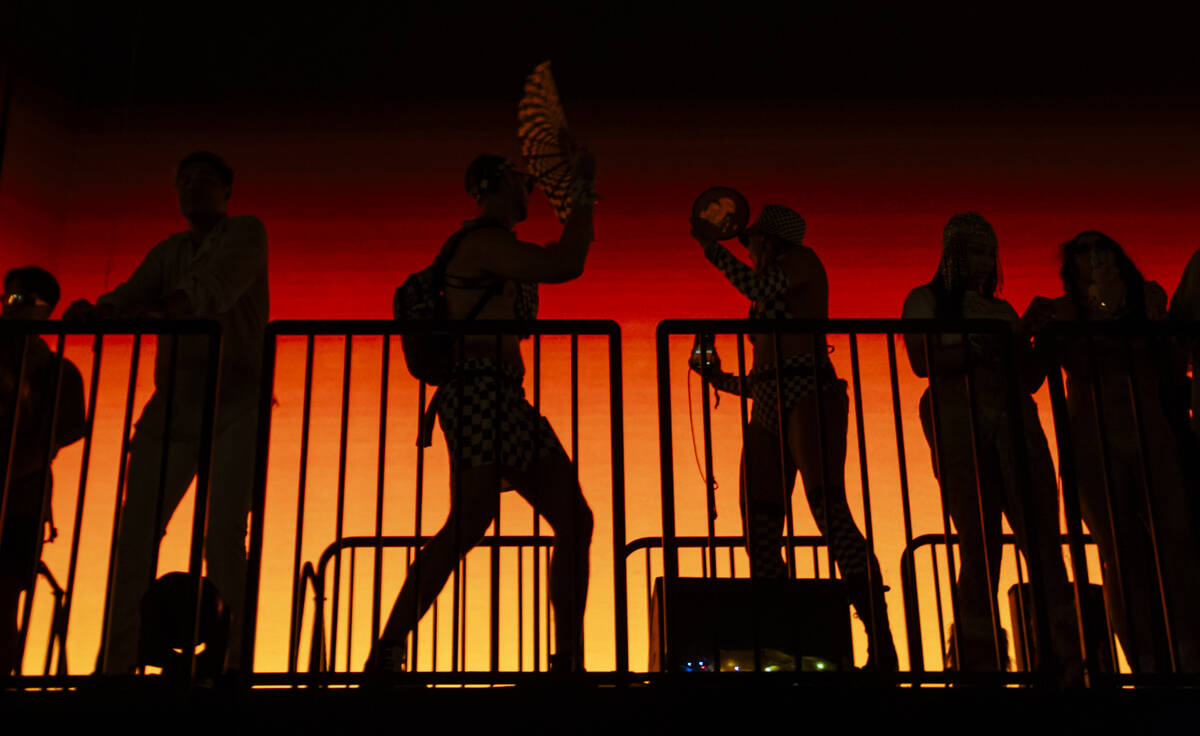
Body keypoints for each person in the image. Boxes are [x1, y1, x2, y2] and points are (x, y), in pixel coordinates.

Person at [368, 152, 597, 674]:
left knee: (566, 519)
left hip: (502, 399)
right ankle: (387, 653)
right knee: (472, 521)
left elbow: (558, 263)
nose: (528, 193)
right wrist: (583, 194)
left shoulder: (490, 246)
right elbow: (566, 264)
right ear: (494, 188)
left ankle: (567, 660)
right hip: (477, 394)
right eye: (520, 184)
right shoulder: (483, 244)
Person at [63, 151, 269, 675]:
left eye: (203, 181)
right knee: (135, 536)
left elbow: (209, 292)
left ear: (227, 191)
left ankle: (232, 666)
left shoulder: (246, 233)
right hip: (174, 406)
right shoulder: (168, 250)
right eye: (184, 182)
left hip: (237, 404)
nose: (191, 190)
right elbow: (134, 293)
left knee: (223, 535)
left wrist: (143, 312)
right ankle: (117, 663)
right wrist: (102, 310)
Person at [688, 204, 899, 671]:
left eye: (753, 241)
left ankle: (878, 633)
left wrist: (710, 248)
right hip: (771, 399)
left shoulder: (802, 263)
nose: (751, 249)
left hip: (809, 391)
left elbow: (758, 289)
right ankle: (783, 640)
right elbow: (764, 374)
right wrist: (718, 378)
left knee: (828, 507)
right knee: (759, 525)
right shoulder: (770, 286)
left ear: (771, 240)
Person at [901, 213, 1079, 674]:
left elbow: (1027, 377)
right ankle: (978, 653)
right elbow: (923, 360)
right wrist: (987, 344)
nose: (984, 262)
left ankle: (1061, 652)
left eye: (990, 252)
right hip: (959, 414)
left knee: (1040, 537)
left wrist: (1038, 336)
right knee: (978, 539)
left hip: (1015, 416)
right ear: (953, 252)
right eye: (976, 251)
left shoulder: (1000, 309)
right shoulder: (924, 300)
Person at [1023, 230, 1200, 673]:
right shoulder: (1060, 311)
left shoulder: (1148, 299)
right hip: (1092, 438)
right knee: (1119, 553)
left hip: (1151, 431)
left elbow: (1175, 364)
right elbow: (1028, 376)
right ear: (1072, 266)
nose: (1096, 256)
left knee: (1175, 543)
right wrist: (1027, 330)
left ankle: (1188, 651)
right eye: (1084, 251)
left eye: (1102, 247)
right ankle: (1144, 661)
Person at [0, 266, 86, 674]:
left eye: (21, 300)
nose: (9, 308)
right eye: (7, 299)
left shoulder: (58, 372)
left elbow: (55, 438)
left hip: (21, 502)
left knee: (3, 601)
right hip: (21, 493)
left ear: (45, 310)